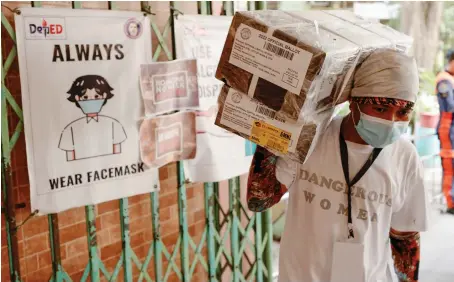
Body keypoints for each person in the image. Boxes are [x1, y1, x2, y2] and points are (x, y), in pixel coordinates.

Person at [247, 49, 429, 282]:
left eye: (403, 112)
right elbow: (259, 200)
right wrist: (270, 136)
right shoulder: (310, 138)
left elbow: (404, 237)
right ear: (353, 102)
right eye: (381, 109)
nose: (391, 121)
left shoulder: (405, 157)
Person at [59, 75, 127, 161]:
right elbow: (70, 160)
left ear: (104, 96)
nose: (91, 100)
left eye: (96, 96)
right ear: (77, 98)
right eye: (85, 97)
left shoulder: (114, 124)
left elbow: (118, 156)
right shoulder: (70, 129)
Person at [436, 49, 454, 215]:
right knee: (449, 167)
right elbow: (450, 106)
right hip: (447, 129)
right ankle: (450, 202)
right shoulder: (444, 80)